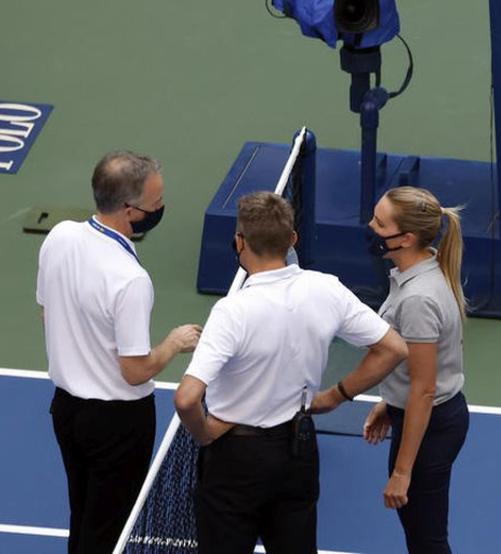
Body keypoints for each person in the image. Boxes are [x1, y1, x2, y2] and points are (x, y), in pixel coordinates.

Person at [174, 191, 408, 554]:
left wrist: (204, 434)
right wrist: (334, 397)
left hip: (234, 458)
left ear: (240, 242)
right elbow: (393, 348)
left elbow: (187, 398)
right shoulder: (326, 289)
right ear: (292, 240)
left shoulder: (231, 312)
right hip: (297, 451)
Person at [37, 150, 202, 553]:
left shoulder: (59, 236)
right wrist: (174, 343)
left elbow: (47, 312)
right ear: (130, 211)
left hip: (67, 413)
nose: (162, 208)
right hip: (117, 423)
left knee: (84, 513)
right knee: (109, 531)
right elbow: (135, 370)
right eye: (157, 203)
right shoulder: (130, 279)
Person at [360, 186, 469, 554]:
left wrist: (402, 472)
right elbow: (415, 364)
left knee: (427, 541)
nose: (370, 226)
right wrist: (390, 401)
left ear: (405, 238)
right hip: (424, 417)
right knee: (422, 535)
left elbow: (424, 387)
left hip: (430, 425)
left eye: (379, 222)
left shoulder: (419, 297)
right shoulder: (422, 270)